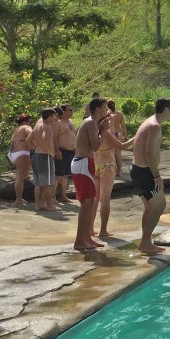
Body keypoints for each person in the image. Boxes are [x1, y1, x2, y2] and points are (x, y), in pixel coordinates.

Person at [129, 99, 170, 255]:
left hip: (137, 170)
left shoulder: (150, 121)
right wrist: (157, 176)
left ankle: (145, 241)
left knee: (150, 206)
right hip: (145, 173)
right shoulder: (154, 126)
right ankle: (146, 242)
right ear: (166, 109)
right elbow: (149, 154)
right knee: (159, 205)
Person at [71, 97, 108, 251]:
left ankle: (86, 238)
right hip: (83, 163)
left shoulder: (91, 123)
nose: (107, 110)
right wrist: (104, 131)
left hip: (83, 163)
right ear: (98, 108)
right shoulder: (91, 122)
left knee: (89, 202)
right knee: (87, 204)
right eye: (105, 107)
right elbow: (96, 146)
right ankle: (80, 241)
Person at [92, 113, 135, 238]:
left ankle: (90, 228)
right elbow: (122, 146)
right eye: (108, 121)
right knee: (105, 199)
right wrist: (136, 137)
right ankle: (103, 230)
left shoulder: (95, 132)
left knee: (95, 199)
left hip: (97, 165)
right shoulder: (106, 134)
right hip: (107, 166)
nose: (111, 122)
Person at [29, 108, 61, 212]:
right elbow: (46, 138)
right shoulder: (46, 127)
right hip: (45, 156)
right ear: (50, 117)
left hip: (37, 155)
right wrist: (49, 151)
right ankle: (50, 205)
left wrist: (37, 147)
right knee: (48, 183)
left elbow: (28, 141)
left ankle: (38, 204)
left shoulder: (37, 125)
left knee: (38, 183)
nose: (56, 117)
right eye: (54, 116)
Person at [53, 104, 76, 204]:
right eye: (69, 110)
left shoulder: (71, 121)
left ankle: (63, 195)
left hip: (71, 151)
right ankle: (52, 197)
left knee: (66, 175)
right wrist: (57, 151)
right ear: (64, 111)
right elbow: (53, 138)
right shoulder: (58, 123)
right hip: (62, 151)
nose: (71, 111)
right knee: (57, 175)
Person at [8, 114, 33, 206]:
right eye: (29, 121)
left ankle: (19, 198)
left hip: (13, 153)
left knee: (22, 175)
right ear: (24, 121)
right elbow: (31, 133)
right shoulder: (25, 127)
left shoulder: (16, 130)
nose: (30, 124)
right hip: (22, 152)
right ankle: (18, 199)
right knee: (20, 176)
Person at [106, 99, 127, 178]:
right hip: (119, 133)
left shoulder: (107, 114)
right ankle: (119, 172)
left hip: (112, 133)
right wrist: (125, 136)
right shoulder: (119, 113)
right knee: (118, 154)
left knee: (111, 153)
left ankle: (113, 171)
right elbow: (123, 126)